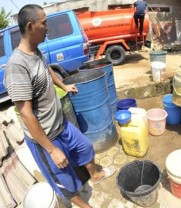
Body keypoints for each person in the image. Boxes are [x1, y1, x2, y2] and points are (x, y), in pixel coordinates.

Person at [4, 5, 115, 208]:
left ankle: (95, 175)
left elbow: (46, 70)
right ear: (30, 26)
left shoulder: (35, 51)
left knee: (86, 147)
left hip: (62, 124)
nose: (48, 27)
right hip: (45, 138)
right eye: (44, 23)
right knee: (66, 183)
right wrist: (52, 150)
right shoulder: (17, 66)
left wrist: (64, 85)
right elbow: (26, 114)